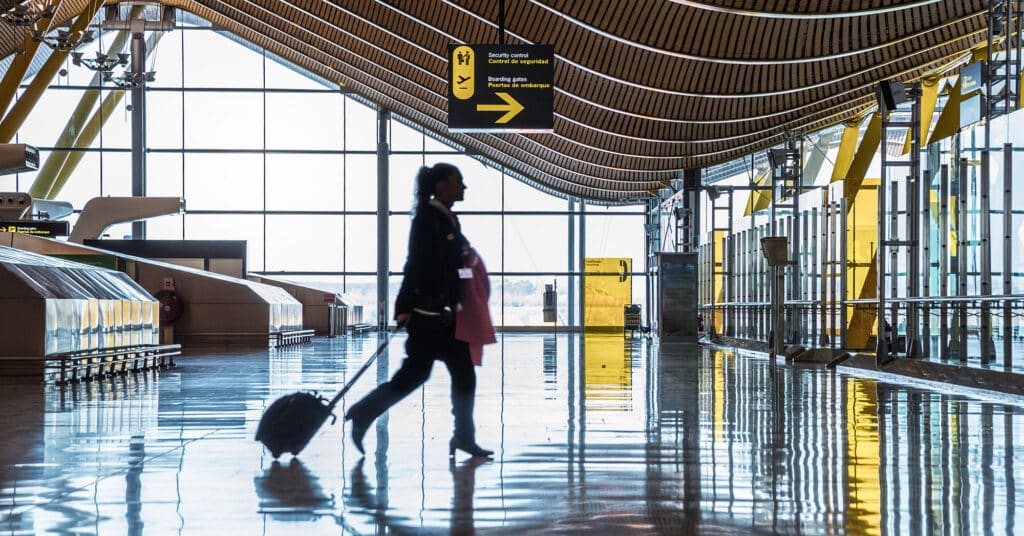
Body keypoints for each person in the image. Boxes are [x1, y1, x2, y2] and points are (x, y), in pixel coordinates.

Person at [344, 163, 493, 459]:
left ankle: (463, 437)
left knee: (461, 375)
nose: (463, 187)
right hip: (429, 317)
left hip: (445, 316)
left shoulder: (446, 218)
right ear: (440, 185)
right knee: (414, 376)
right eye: (458, 181)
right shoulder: (428, 218)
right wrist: (403, 307)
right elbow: (415, 262)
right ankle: (363, 412)